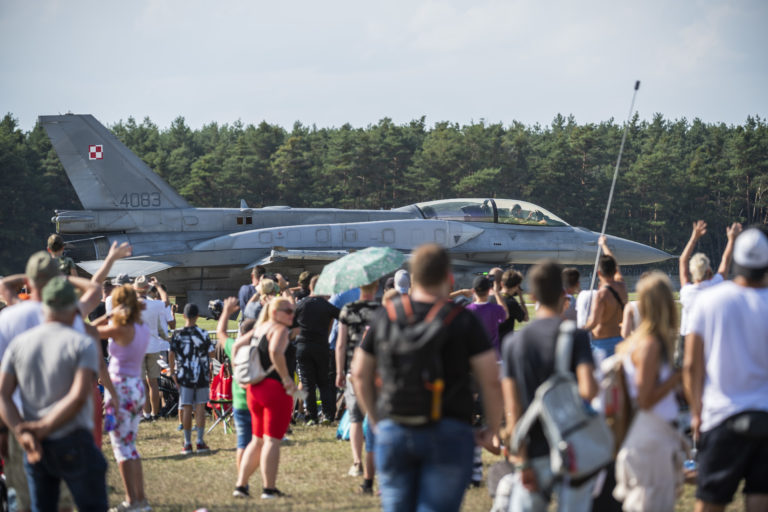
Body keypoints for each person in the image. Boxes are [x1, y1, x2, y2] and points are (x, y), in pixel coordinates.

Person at [352, 244, 503, 512]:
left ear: (414, 277)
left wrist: (377, 422)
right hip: (449, 429)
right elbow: (490, 378)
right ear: (449, 278)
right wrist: (491, 427)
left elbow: (360, 373)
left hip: (395, 426)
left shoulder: (386, 316)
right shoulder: (462, 319)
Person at [0, 276, 108, 512]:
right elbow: (79, 395)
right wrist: (45, 427)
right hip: (72, 437)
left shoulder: (19, 344)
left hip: (33, 442)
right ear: (71, 307)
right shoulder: (81, 343)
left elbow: (3, 395)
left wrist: (22, 431)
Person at [500, 260, 598, 511]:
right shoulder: (574, 336)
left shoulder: (513, 344)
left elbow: (513, 409)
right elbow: (589, 391)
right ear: (564, 294)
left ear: (533, 296)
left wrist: (521, 461)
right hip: (571, 444)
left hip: (533, 450)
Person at [683, 227, 768, 512]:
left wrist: (696, 412)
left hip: (722, 415)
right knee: (760, 499)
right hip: (765, 415)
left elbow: (691, 364)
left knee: (710, 502)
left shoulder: (710, 300)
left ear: (736, 264)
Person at [612, 272, 684, 510]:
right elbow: (645, 398)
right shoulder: (650, 345)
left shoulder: (637, 342)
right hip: (651, 434)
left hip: (647, 433)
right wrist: (677, 378)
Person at [232, 297, 298, 499]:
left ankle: (241, 486)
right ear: (275, 312)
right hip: (274, 389)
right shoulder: (279, 329)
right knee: (272, 441)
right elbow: (275, 351)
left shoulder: (260, 328)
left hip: (255, 389)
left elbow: (236, 347)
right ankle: (269, 489)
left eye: (292, 311)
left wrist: (238, 373)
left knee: (257, 440)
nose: (291, 315)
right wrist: (287, 378)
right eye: (287, 311)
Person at [94, 284, 152, 512]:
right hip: (136, 387)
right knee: (131, 446)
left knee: (121, 448)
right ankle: (140, 500)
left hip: (119, 389)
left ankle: (131, 501)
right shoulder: (142, 327)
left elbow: (86, 329)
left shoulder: (119, 328)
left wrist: (107, 315)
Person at [335, 280, 381, 493]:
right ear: (377, 285)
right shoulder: (382, 310)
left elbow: (341, 343)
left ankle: (357, 462)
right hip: (377, 370)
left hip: (354, 369)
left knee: (355, 417)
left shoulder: (348, 310)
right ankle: (376, 459)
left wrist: (339, 371)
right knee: (376, 417)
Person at [678, 220, 741, 362]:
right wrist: (731, 239)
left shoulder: (687, 291)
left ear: (692, 271)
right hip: (709, 338)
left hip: (687, 339)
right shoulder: (716, 285)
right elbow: (725, 261)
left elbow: (682, 261)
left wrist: (694, 237)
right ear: (708, 270)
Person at [216, 298, 255, 482]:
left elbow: (221, 332)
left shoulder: (234, 348)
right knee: (260, 443)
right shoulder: (260, 348)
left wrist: (226, 311)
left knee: (242, 444)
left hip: (239, 402)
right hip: (257, 401)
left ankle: (242, 480)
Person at [293, 276, 339, 424]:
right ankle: (327, 415)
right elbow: (342, 315)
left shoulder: (301, 304)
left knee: (307, 383)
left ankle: (311, 416)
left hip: (303, 346)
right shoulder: (326, 305)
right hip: (321, 346)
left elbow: (291, 322)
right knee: (324, 382)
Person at [169, 303, 213, 455]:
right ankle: (200, 442)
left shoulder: (177, 335)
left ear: (184, 316)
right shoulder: (203, 333)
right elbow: (212, 353)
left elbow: (171, 354)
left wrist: (172, 371)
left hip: (184, 375)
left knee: (186, 407)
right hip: (201, 374)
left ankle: (187, 443)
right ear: (197, 316)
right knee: (200, 408)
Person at [583, 236, 628, 363]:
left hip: (602, 344)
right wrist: (604, 245)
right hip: (619, 339)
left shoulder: (601, 294)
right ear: (614, 270)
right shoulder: (622, 286)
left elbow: (594, 322)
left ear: (599, 273)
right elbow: (616, 265)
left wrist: (578, 331)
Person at [133, 275, 169, 421]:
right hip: (154, 346)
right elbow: (166, 301)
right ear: (148, 289)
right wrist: (158, 286)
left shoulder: (131, 305)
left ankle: (146, 413)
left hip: (137, 347)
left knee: (141, 383)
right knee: (153, 382)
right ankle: (155, 413)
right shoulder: (155, 304)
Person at [466, 275, 509, 358]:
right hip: (493, 355)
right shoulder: (495, 309)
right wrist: (496, 292)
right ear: (489, 290)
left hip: (474, 356)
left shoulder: (467, 310)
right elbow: (506, 314)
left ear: (473, 291)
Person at [498, 269, 529, 343]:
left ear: (502, 283)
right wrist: (521, 297)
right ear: (517, 286)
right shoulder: (511, 302)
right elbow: (526, 318)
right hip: (504, 342)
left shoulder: (493, 297)